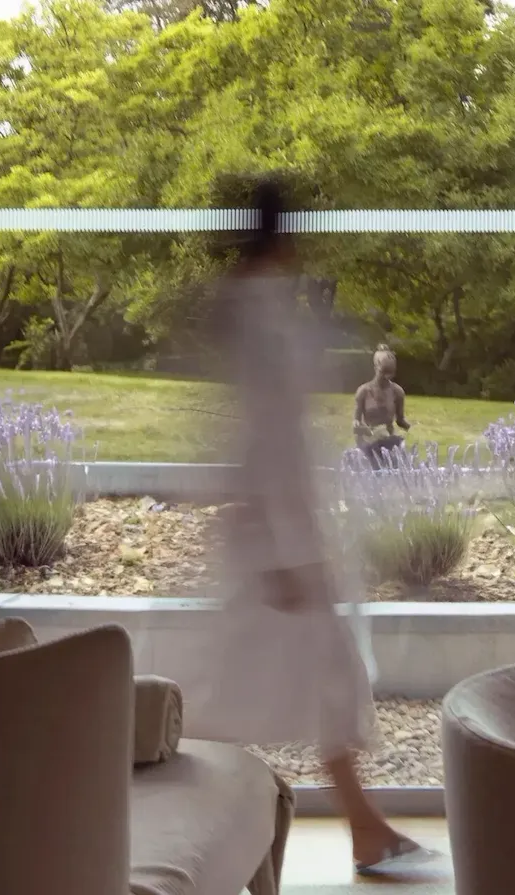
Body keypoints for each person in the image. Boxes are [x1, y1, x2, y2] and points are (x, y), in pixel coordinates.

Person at [189, 176, 439, 876]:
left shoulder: (255, 309)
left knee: (286, 676)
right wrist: (287, 551)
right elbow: (266, 434)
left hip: (277, 529)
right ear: (284, 233)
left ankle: (363, 827)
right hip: (276, 537)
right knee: (271, 681)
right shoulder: (260, 319)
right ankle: (163, 803)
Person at [354, 345, 411, 469]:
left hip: (389, 440)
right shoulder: (363, 391)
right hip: (369, 442)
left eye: (390, 373)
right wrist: (360, 427)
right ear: (376, 368)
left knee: (398, 462)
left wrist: (408, 426)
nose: (387, 377)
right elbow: (356, 424)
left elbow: (400, 420)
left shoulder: (397, 391)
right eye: (384, 373)